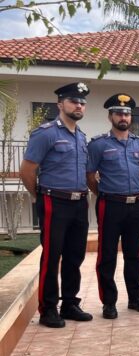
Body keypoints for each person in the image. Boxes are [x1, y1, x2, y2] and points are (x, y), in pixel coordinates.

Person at [20, 82, 93, 328]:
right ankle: (48, 309)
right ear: (60, 104)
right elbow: (27, 170)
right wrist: (39, 196)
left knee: (75, 256)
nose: (79, 106)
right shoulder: (46, 133)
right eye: (74, 101)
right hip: (54, 202)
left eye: (82, 102)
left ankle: (70, 303)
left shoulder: (82, 137)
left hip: (79, 202)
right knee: (52, 257)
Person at [86, 93, 139, 319]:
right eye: (118, 113)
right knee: (107, 255)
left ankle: (135, 298)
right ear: (110, 116)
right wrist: (105, 194)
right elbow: (90, 176)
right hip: (110, 205)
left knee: (134, 255)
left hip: (135, 205)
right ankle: (109, 302)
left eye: (126, 113)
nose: (123, 116)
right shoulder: (98, 144)